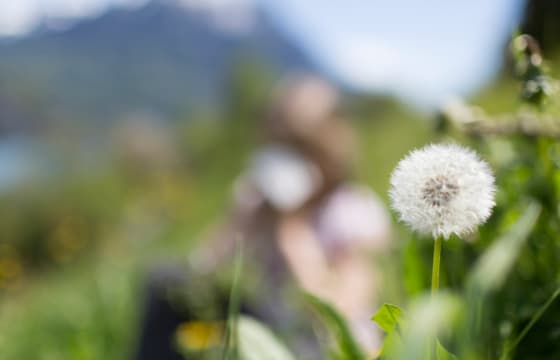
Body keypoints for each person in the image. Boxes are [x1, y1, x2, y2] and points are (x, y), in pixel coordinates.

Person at [136, 74, 391, 359]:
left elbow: (338, 312)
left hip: (325, 346)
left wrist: (293, 231)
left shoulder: (351, 211)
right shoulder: (256, 201)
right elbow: (201, 273)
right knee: (164, 279)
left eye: (298, 147)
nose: (287, 160)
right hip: (271, 329)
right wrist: (239, 224)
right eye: (278, 147)